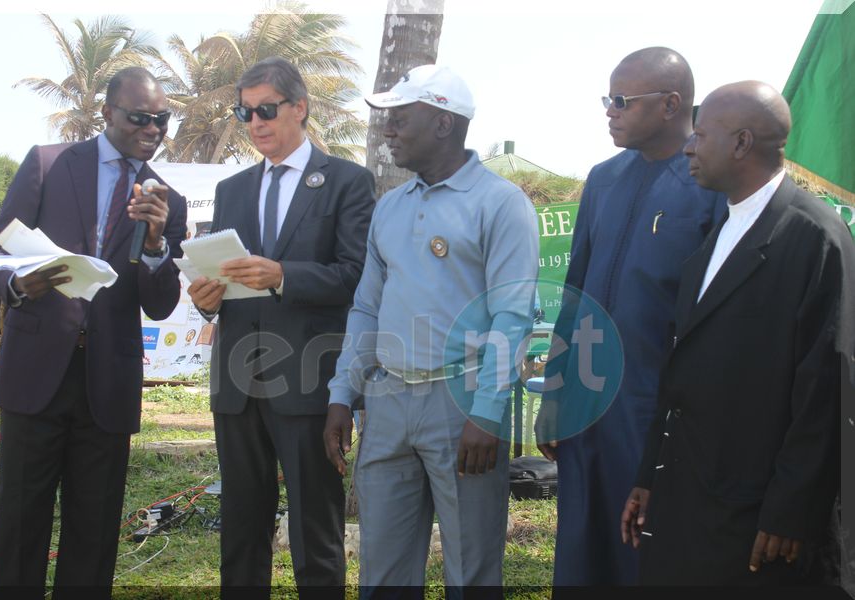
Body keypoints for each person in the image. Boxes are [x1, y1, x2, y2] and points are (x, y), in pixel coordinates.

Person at [621, 81, 855, 585]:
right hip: (691, 498)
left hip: (759, 516)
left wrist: (793, 509)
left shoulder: (814, 238)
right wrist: (649, 476)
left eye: (700, 136)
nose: (688, 146)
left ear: (742, 143)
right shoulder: (718, 235)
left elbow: (827, 389)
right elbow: (682, 365)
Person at [323, 64, 539, 594]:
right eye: (387, 119)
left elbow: (512, 317)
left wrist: (487, 414)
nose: (388, 129)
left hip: (462, 401)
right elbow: (367, 307)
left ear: (444, 123)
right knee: (384, 568)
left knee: (470, 567)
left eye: (400, 117)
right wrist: (342, 392)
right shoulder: (391, 207)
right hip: (388, 400)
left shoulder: (501, 203)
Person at [0, 66, 187, 596]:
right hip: (36, 375)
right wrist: (25, 283)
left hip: (108, 383)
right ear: (107, 113)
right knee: (21, 523)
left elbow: (161, 305)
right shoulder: (48, 165)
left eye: (162, 119)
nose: (153, 128)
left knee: (94, 533)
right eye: (140, 117)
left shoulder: (169, 201)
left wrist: (158, 243)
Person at [533, 47, 726, 585]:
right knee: (581, 549)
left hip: (656, 409)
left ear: (670, 104)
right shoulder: (603, 179)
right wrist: (554, 394)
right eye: (608, 99)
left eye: (622, 100)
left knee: (645, 550)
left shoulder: (709, 186)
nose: (610, 111)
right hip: (588, 403)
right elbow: (576, 293)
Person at [186, 57, 375, 596]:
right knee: (241, 532)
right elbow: (225, 281)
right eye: (244, 113)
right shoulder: (233, 190)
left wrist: (283, 275)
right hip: (237, 384)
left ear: (300, 108)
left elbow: (357, 276)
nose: (255, 122)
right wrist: (206, 300)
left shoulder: (347, 182)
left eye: (266, 109)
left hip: (308, 382)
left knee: (315, 531)